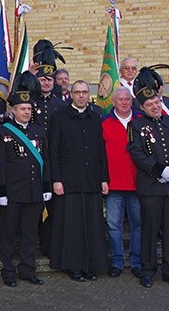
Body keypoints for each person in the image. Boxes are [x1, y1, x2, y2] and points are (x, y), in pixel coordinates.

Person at [127, 86, 169, 289]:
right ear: (142, 107)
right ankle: (148, 271)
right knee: (150, 230)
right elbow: (136, 152)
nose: (154, 107)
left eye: (156, 103)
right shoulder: (135, 125)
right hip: (151, 188)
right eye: (149, 105)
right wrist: (158, 171)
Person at [49, 80, 109, 282]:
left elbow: (101, 150)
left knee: (93, 225)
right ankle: (74, 266)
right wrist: (56, 179)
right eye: (78, 92)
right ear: (71, 95)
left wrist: (103, 178)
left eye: (85, 92)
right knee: (73, 227)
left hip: (92, 180)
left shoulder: (96, 117)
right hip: (69, 181)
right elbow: (53, 152)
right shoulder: (59, 118)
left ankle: (91, 265)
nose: (81, 96)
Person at [0, 76, 51, 287]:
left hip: (34, 191)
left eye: (29, 108)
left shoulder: (39, 132)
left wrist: (46, 187)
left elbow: (46, 161)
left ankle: (28, 270)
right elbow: (0, 164)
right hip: (12, 193)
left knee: (29, 235)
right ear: (13, 111)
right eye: (22, 109)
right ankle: (8, 271)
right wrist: (0, 191)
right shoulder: (4, 132)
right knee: (8, 235)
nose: (27, 112)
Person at [102, 87, 143, 278]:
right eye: (120, 99)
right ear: (113, 101)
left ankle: (136, 262)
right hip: (114, 185)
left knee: (138, 225)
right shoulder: (104, 123)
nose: (124, 102)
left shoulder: (142, 121)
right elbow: (99, 155)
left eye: (127, 98)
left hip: (138, 184)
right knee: (113, 225)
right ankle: (117, 261)